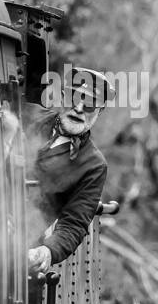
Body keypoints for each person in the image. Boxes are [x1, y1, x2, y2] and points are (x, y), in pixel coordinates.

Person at [26, 69, 111, 273]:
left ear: (100, 111)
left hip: (22, 247)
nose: (79, 108)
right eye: (74, 97)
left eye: (90, 104)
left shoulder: (93, 165)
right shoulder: (27, 117)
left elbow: (74, 223)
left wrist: (47, 251)